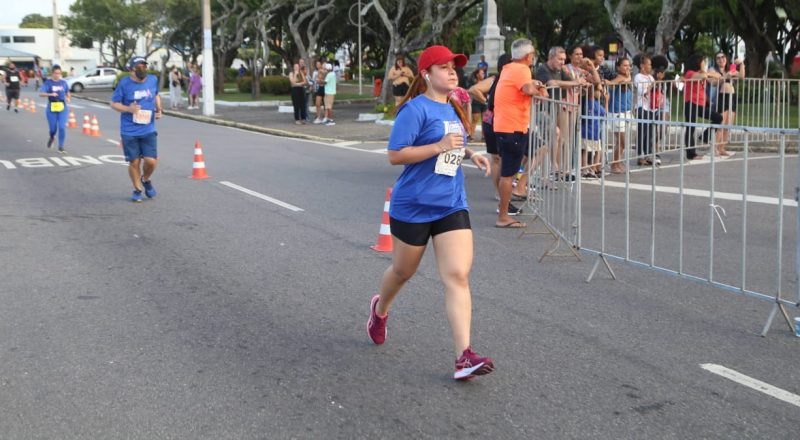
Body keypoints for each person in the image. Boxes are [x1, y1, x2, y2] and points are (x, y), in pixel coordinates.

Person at [366, 44, 494, 381]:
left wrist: (471, 154)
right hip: (414, 205)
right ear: (426, 74)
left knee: (457, 275)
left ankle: (464, 356)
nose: (452, 72)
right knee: (402, 271)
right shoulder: (414, 110)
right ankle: (380, 310)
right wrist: (439, 146)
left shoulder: (453, 106)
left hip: (451, 203)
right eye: (444, 67)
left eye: (454, 67)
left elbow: (453, 145)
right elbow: (395, 155)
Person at [496, 39, 549, 229]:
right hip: (513, 128)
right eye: (532, 54)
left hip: (506, 126)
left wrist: (534, 85)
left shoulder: (509, 68)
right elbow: (527, 89)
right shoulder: (522, 69)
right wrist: (538, 90)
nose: (533, 57)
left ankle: (508, 204)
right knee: (508, 174)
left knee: (508, 170)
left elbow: (523, 87)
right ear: (528, 56)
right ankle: (503, 216)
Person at [469, 54, 523, 207]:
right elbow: (473, 89)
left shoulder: (504, 80)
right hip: (496, 121)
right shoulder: (497, 79)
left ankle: (502, 193)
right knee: (499, 158)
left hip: (495, 120)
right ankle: (502, 195)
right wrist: (487, 101)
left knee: (499, 159)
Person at [110, 56, 162, 203]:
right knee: (134, 162)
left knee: (151, 161)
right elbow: (114, 104)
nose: (143, 69)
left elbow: (156, 94)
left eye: (144, 66)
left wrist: (159, 109)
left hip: (148, 128)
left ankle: (145, 179)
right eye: (139, 66)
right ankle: (137, 189)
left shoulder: (152, 80)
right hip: (129, 130)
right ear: (132, 69)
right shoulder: (124, 83)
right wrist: (129, 109)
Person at [683, 54, 722, 161]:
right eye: (703, 62)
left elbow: (714, 77)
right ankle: (691, 154)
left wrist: (714, 75)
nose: (704, 64)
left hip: (700, 104)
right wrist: (709, 73)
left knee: (718, 118)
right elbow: (703, 76)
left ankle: (705, 136)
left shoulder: (701, 73)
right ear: (697, 63)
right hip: (691, 103)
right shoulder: (690, 73)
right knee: (690, 128)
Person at [709, 51, 745, 157]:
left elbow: (741, 76)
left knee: (728, 125)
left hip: (731, 97)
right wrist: (725, 77)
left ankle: (722, 148)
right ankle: (714, 148)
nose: (721, 59)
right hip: (721, 97)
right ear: (715, 60)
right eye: (718, 58)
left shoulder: (730, 69)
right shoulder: (713, 70)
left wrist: (741, 64)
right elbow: (712, 83)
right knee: (721, 124)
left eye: (723, 57)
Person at [605, 57, 633, 173]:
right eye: (625, 65)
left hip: (626, 111)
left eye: (629, 65)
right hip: (617, 112)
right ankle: (614, 164)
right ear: (618, 67)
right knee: (622, 141)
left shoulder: (627, 77)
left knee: (621, 141)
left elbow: (628, 79)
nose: (627, 68)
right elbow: (614, 82)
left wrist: (628, 77)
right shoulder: (620, 77)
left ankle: (617, 162)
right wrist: (610, 83)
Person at [39, 65, 71, 154]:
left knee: (62, 127)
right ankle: (52, 137)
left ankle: (61, 146)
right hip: (51, 107)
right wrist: (50, 94)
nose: (57, 75)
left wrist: (68, 98)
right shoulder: (48, 83)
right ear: (52, 73)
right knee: (53, 129)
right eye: (56, 73)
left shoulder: (63, 83)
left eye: (59, 73)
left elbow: (67, 92)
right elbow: (41, 94)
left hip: (62, 107)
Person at [633, 53, 656, 166]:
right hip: (642, 107)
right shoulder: (638, 77)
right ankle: (640, 156)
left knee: (649, 133)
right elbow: (643, 92)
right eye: (648, 64)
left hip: (651, 108)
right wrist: (651, 85)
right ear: (642, 65)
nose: (650, 67)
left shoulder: (651, 77)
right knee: (641, 132)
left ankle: (647, 154)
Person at [581, 85, 607, 177]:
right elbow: (604, 113)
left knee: (586, 151)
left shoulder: (586, 102)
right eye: (599, 91)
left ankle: (586, 169)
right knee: (597, 151)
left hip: (587, 131)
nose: (600, 93)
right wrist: (607, 101)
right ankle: (592, 169)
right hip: (592, 131)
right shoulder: (594, 103)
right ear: (593, 92)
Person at [312, 60, 326, 124]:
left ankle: (326, 117)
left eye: (319, 64)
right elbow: (317, 80)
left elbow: (325, 80)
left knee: (326, 104)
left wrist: (321, 79)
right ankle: (318, 117)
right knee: (317, 104)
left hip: (325, 88)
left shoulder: (326, 72)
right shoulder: (317, 72)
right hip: (319, 88)